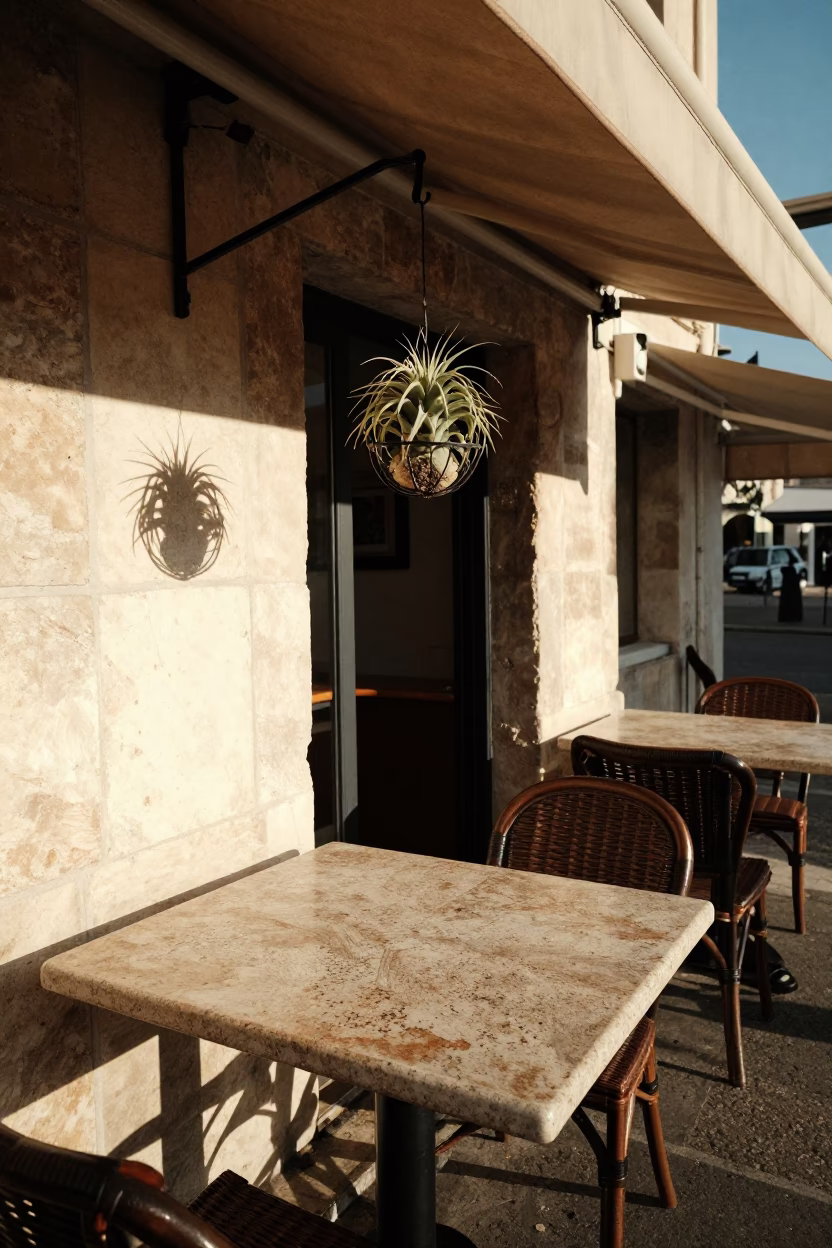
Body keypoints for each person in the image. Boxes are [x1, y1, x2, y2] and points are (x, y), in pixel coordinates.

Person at [778, 551, 803, 623]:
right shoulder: (791, 571)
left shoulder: (787, 571)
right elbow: (793, 579)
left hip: (787, 592)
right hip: (792, 591)